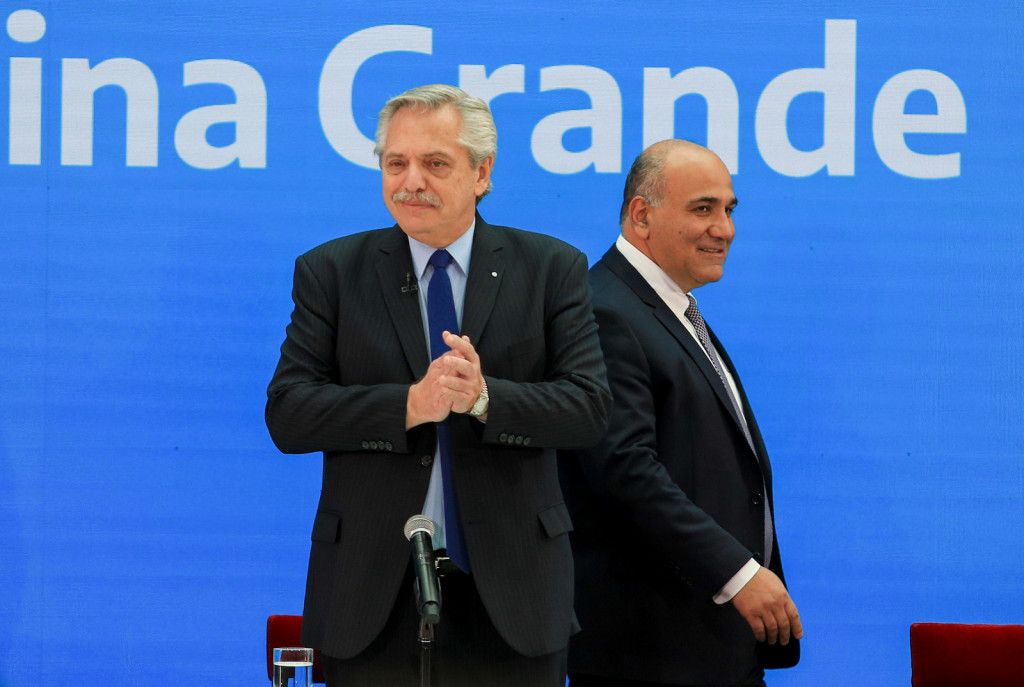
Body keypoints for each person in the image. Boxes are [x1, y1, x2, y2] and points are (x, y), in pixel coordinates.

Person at [265, 84, 610, 687]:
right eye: (395, 163)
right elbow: (290, 413)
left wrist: (485, 399)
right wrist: (408, 406)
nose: (410, 181)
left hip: (512, 595)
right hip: (371, 595)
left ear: (482, 172)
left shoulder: (552, 269)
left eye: (435, 163)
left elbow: (588, 409)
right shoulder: (331, 273)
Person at [559, 140, 803, 687]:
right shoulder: (605, 309)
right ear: (641, 215)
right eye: (703, 208)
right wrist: (740, 574)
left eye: (729, 209)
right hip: (651, 653)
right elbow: (624, 471)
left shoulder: (667, 308)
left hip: (706, 646)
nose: (725, 228)